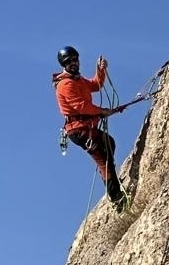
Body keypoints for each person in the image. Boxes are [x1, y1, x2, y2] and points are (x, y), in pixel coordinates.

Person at [52, 46, 127, 208]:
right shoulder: (65, 84)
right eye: (69, 62)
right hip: (79, 130)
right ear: (64, 65)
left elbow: (95, 85)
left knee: (109, 144)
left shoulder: (77, 80)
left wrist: (101, 70)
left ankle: (111, 182)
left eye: (75, 60)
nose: (73, 63)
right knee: (103, 157)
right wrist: (103, 112)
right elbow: (81, 106)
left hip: (84, 127)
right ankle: (117, 198)